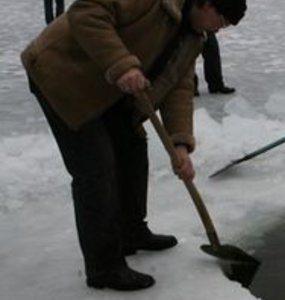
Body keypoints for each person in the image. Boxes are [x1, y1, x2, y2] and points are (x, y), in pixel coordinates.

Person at [21, 0, 246, 291]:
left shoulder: (194, 37)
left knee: (133, 150)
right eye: (223, 20)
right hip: (64, 74)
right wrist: (122, 64)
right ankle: (104, 266)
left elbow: (179, 87)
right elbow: (86, 12)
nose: (220, 29)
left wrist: (179, 144)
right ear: (206, 4)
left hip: (110, 90)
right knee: (96, 169)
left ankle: (131, 231)